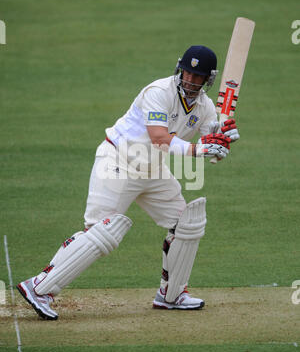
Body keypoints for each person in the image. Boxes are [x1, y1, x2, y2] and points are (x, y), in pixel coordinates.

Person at [16, 45, 239, 320]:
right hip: (118, 161)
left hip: (152, 169)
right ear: (180, 69)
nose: (190, 80)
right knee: (101, 233)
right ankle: (39, 288)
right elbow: (159, 137)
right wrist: (200, 150)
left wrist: (224, 138)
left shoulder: (205, 107)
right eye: (187, 73)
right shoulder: (158, 92)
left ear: (208, 80)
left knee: (187, 223)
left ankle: (172, 295)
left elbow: (211, 146)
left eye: (197, 76)